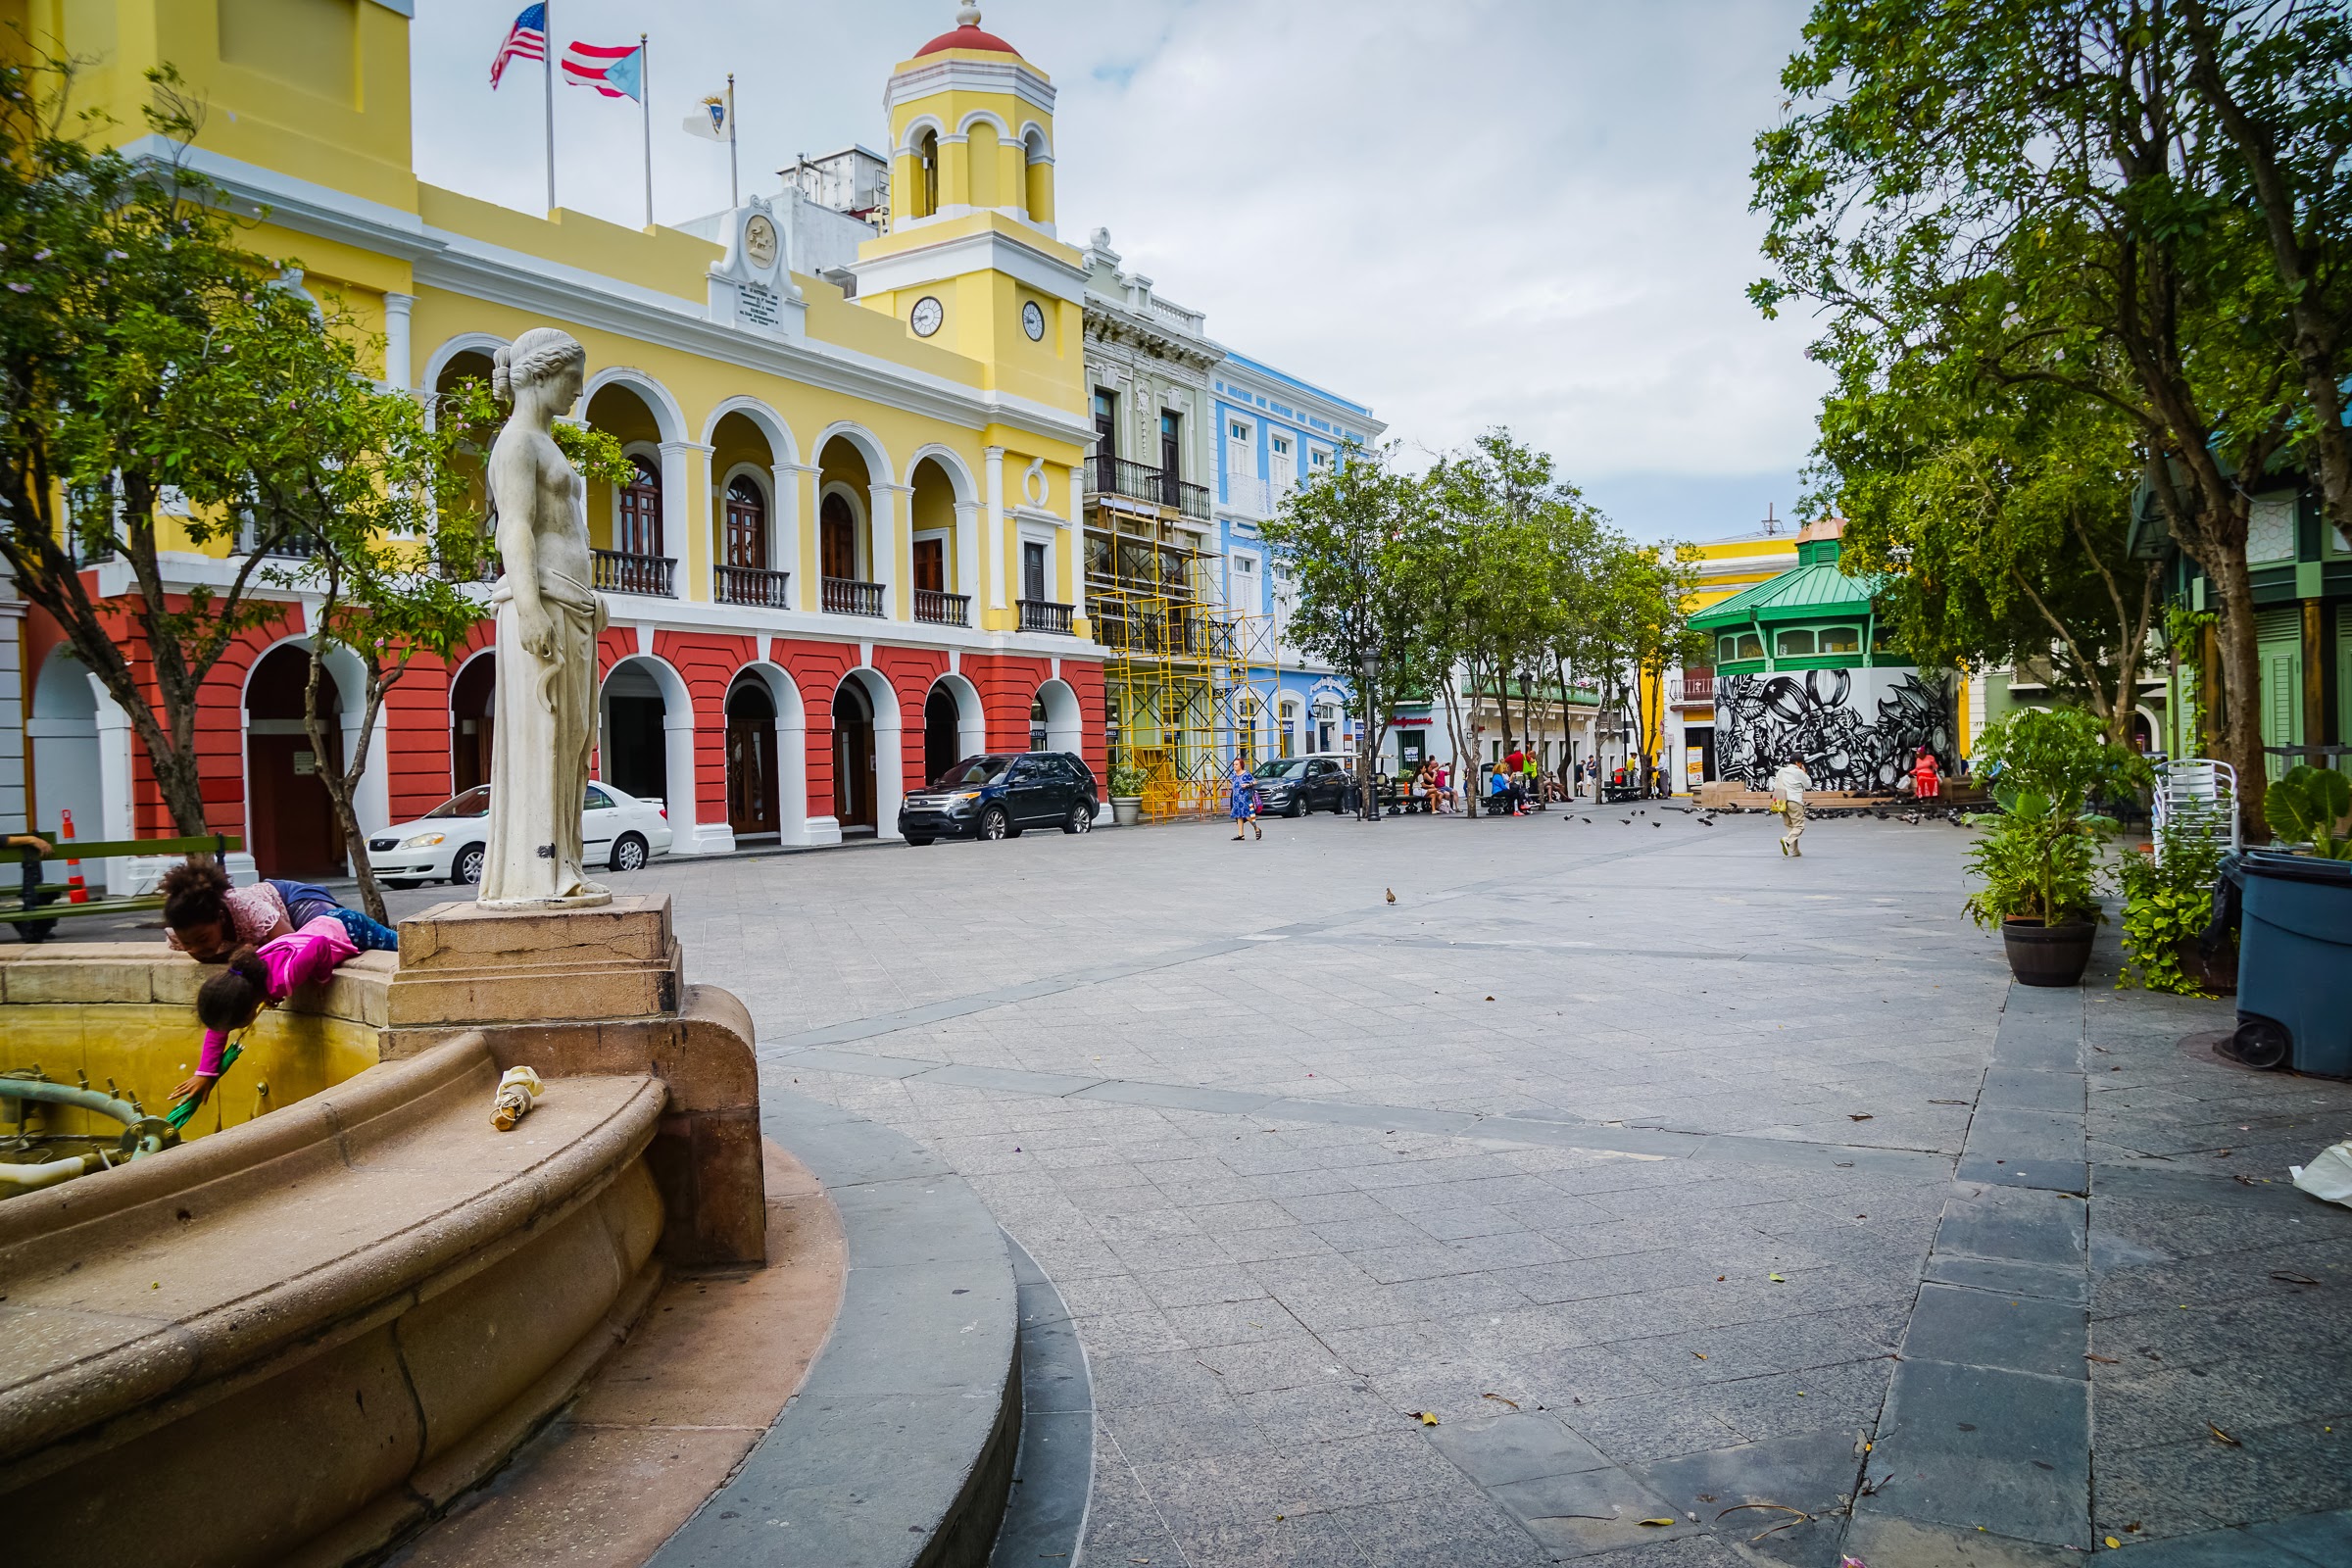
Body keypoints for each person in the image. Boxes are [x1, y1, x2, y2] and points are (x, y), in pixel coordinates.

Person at [171, 914, 362, 1110]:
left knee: (393, 943)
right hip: (320, 925)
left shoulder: (281, 982)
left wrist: (321, 981)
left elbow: (319, 944)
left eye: (233, 1026)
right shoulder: (244, 975)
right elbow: (219, 1025)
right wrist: (205, 1072)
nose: (226, 1031)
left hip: (348, 927)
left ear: (248, 1014)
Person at [160, 858, 397, 962]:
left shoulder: (249, 909)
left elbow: (292, 946)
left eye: (202, 939)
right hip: (276, 910)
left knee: (334, 932)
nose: (197, 949)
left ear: (220, 918)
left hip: (293, 900)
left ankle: (399, 941)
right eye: (188, 944)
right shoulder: (182, 935)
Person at [1770, 754, 1812, 857]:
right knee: (1799, 826)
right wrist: (1804, 773)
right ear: (1798, 763)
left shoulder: (1781, 771)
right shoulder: (1799, 772)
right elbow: (1808, 785)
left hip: (1782, 802)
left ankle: (1795, 851)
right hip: (1795, 801)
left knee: (1790, 827)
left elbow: (1775, 785)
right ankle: (1787, 840)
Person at [1230, 757, 1262, 841]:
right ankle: (1241, 834)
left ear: (1241, 765)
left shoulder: (1246, 774)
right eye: (1234, 765)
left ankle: (1256, 828)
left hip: (1245, 798)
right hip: (1236, 799)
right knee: (1238, 816)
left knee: (1247, 815)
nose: (1234, 766)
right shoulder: (1234, 776)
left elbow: (1255, 782)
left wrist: (1247, 785)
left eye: (1236, 764)